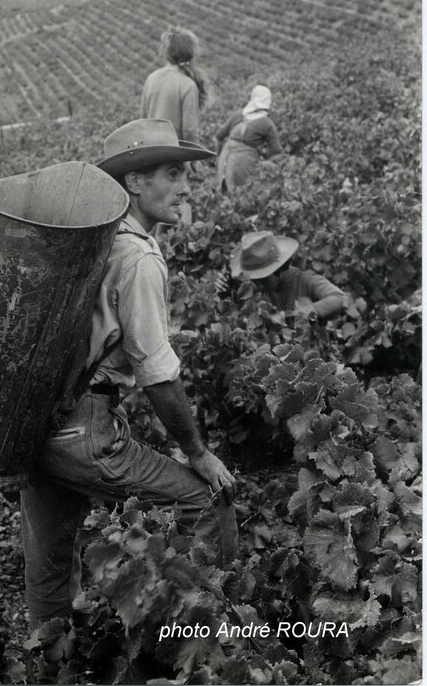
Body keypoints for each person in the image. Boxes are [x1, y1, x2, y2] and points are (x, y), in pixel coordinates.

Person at [20, 119, 238, 627]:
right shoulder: (138, 258)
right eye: (171, 172)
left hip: (35, 422)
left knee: (49, 569)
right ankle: (203, 636)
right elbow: (159, 377)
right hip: (84, 431)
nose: (185, 186)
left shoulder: (92, 238)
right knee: (206, 501)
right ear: (135, 183)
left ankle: (49, 664)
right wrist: (197, 453)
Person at [218, 230, 347, 320]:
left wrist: (294, 315)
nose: (256, 285)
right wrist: (223, 294)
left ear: (278, 269)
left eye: (261, 278)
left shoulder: (304, 279)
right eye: (252, 278)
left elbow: (340, 298)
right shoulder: (258, 285)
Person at [140, 27, 208, 145]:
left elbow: (142, 120)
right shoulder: (187, 85)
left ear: (166, 52)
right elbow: (189, 131)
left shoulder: (151, 78)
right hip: (174, 154)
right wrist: (194, 160)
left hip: (151, 152)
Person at [215, 85, 282, 192]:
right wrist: (266, 165)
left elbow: (219, 137)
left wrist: (218, 157)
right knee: (242, 194)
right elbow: (277, 152)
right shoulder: (267, 123)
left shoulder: (237, 114)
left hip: (225, 157)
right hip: (243, 162)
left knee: (224, 193)